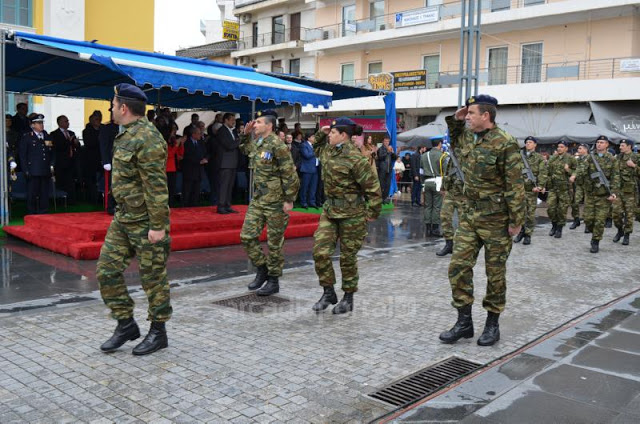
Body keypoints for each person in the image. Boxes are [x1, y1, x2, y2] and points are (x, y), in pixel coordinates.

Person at [439, 95, 525, 347]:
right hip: (469, 216)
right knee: (457, 267)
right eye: (466, 113)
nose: (467, 117)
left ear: (485, 116)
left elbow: (515, 184)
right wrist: (457, 116)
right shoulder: (466, 137)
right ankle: (464, 322)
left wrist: (516, 220)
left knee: (495, 273)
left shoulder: (505, 142)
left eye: (471, 113)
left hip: (497, 219)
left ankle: (492, 324)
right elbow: (453, 133)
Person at [96, 83, 172, 356]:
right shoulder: (126, 134)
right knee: (106, 271)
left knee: (153, 278)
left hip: (145, 221)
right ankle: (126, 323)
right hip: (124, 217)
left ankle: (158, 331)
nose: (111, 109)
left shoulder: (147, 138)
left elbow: (156, 186)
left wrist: (157, 226)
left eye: (113, 105)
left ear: (124, 108)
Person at [311, 118, 382, 314]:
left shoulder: (355, 158)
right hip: (330, 211)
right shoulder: (328, 151)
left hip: (352, 214)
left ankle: (348, 297)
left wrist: (372, 212)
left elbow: (372, 187)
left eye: (333, 132)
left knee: (347, 258)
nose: (330, 135)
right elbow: (314, 146)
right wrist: (322, 132)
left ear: (344, 135)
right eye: (330, 132)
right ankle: (328, 291)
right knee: (320, 252)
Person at [239, 110, 299, 296]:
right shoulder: (259, 143)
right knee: (247, 236)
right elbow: (245, 150)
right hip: (259, 199)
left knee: (274, 243)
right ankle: (262, 268)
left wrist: (289, 199)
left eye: (258, 122)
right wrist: (244, 135)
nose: (254, 125)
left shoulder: (277, 145)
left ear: (269, 126)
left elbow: (289, 174)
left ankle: (273, 280)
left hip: (275, 201)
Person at [570, 135, 620, 253]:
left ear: (607, 144)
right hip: (590, 194)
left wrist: (613, 193)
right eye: (598, 142)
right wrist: (574, 175)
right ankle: (594, 233)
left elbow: (616, 178)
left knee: (599, 220)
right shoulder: (589, 158)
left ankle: (595, 241)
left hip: (603, 196)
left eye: (602, 142)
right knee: (588, 219)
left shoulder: (612, 159)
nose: (599, 144)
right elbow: (581, 168)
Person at [513, 136, 547, 245]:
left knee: (530, 214)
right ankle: (521, 231)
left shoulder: (539, 158)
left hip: (531, 189)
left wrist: (540, 186)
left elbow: (543, 173)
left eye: (530, 142)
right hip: (519, 189)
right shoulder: (519, 156)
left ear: (535, 145)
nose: (528, 144)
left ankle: (528, 234)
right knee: (520, 213)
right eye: (526, 142)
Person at [19, 114, 55, 215]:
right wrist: (25, 170)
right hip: (33, 170)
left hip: (45, 170)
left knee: (44, 193)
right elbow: (23, 155)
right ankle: (32, 213)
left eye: (42, 122)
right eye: (38, 123)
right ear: (32, 125)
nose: (41, 125)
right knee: (32, 194)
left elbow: (51, 152)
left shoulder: (47, 136)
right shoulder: (27, 137)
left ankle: (44, 212)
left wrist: (52, 164)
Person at [437, 143, 465, 256]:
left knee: (464, 221)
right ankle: (449, 243)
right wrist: (443, 187)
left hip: (463, 194)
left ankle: (462, 246)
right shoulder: (452, 157)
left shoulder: (471, 156)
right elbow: (447, 173)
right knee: (444, 216)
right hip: (451, 192)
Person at [545, 140, 576, 239]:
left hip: (565, 189)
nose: (559, 148)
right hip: (553, 188)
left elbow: (577, 172)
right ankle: (554, 225)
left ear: (566, 148)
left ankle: (559, 228)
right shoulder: (553, 158)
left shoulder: (571, 159)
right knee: (551, 208)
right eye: (558, 146)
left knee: (562, 210)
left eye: (562, 147)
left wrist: (568, 170)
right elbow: (547, 171)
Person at [612, 139, 638, 245]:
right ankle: (620, 230)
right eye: (620, 145)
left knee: (629, 215)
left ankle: (627, 235)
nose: (620, 147)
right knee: (616, 213)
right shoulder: (618, 157)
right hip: (618, 190)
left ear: (629, 146)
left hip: (630, 192)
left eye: (622, 145)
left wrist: (634, 166)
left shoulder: (636, 157)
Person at [50, 115, 80, 205]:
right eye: (65, 121)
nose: (68, 123)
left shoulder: (71, 133)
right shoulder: (54, 134)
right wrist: (68, 141)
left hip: (71, 161)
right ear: (60, 123)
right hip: (61, 162)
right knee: (61, 181)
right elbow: (57, 146)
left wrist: (76, 143)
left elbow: (76, 146)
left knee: (71, 181)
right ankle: (61, 201)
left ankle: (72, 200)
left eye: (68, 121)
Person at [216, 113, 240, 214]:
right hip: (225, 162)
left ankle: (227, 204)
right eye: (232, 120)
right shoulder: (222, 131)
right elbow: (229, 145)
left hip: (232, 162)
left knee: (230, 185)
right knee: (224, 185)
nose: (234, 122)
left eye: (234, 120)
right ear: (226, 120)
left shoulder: (233, 131)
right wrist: (239, 140)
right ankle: (221, 205)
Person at [421, 139, 444, 236]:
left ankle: (427, 229)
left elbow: (421, 171)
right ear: (439, 144)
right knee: (437, 206)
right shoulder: (442, 156)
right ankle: (435, 229)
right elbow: (444, 171)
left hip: (426, 182)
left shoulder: (424, 155)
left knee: (428, 206)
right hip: (437, 182)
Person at [181, 125, 208, 207]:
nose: (200, 135)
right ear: (193, 134)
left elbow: (205, 152)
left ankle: (195, 206)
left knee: (196, 190)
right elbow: (186, 156)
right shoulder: (186, 143)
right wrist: (198, 161)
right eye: (199, 133)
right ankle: (185, 206)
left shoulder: (201, 142)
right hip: (189, 170)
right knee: (187, 190)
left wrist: (205, 159)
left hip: (198, 171)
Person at [100, 112, 119, 214]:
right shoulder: (107, 128)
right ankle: (111, 206)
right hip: (112, 160)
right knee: (113, 184)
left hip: (124, 161)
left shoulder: (125, 127)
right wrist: (106, 161)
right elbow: (104, 145)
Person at [569, 143, 589, 230]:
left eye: (580, 148)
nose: (578, 150)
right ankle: (576, 219)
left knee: (588, 204)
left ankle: (588, 224)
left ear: (585, 150)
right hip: (580, 184)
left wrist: (574, 175)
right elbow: (574, 169)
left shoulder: (590, 159)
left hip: (589, 184)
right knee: (575, 202)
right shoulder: (578, 160)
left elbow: (582, 169)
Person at [299, 132, 319, 208]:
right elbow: (307, 155)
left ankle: (312, 201)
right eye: (313, 136)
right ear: (309, 138)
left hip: (315, 168)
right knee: (305, 187)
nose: (314, 138)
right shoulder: (304, 145)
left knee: (313, 187)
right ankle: (303, 202)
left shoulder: (314, 146)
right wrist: (315, 151)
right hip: (307, 169)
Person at [376, 135, 396, 203]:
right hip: (382, 169)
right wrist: (387, 151)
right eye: (385, 141)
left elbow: (395, 158)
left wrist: (392, 152)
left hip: (389, 169)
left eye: (388, 141)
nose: (387, 142)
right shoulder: (380, 149)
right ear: (383, 142)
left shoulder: (390, 149)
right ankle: (380, 198)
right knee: (381, 185)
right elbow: (380, 157)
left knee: (388, 185)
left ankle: (385, 198)